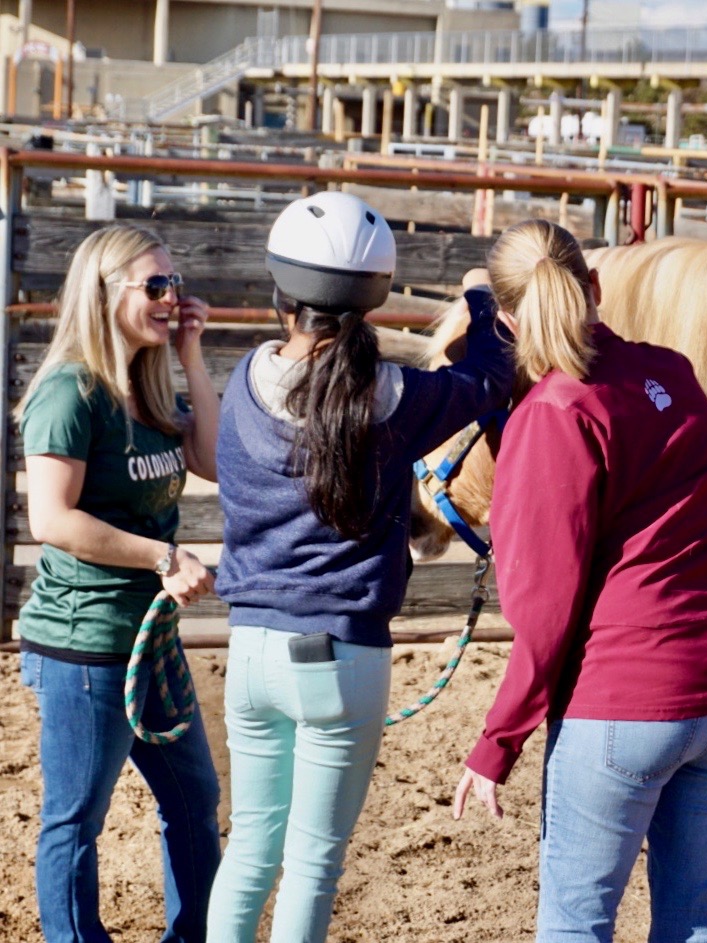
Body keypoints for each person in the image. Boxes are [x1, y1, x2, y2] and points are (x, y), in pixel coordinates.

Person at [452, 219, 707, 943]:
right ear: (595, 288)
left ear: (505, 319)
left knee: (576, 924)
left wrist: (497, 742)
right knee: (695, 922)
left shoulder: (553, 412)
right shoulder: (673, 373)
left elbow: (544, 612)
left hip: (626, 698)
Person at [206, 191, 515, 943]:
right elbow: (490, 375)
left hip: (248, 650)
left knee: (249, 845)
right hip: (343, 657)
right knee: (313, 863)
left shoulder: (247, 379)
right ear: (373, 298)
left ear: (282, 290)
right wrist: (478, 297)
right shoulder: (395, 396)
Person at [15, 223, 222, 942]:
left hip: (147, 639)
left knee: (195, 799)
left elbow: (215, 460)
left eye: (176, 283)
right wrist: (162, 558)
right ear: (105, 294)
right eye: (156, 286)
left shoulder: (147, 388)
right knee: (76, 818)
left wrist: (190, 355)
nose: (173, 297)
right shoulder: (71, 392)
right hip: (84, 644)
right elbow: (52, 518)